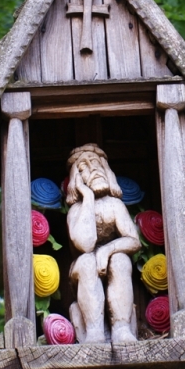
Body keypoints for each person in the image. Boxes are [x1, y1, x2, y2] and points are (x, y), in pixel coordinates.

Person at [66, 143, 141, 343]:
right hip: (84, 267)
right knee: (86, 262)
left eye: (96, 163)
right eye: (84, 167)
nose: (94, 169)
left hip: (111, 258)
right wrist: (88, 198)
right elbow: (85, 245)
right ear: (77, 179)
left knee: (121, 261)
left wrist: (108, 250)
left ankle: (121, 328)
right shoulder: (76, 210)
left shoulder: (115, 204)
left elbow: (134, 241)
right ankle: (94, 331)